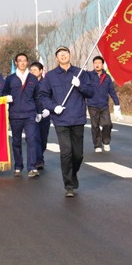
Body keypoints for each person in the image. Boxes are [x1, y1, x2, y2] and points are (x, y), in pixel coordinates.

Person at [39, 46, 94, 198]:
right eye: (60, 54)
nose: (63, 56)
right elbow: (43, 96)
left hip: (77, 117)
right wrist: (53, 107)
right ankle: (68, 185)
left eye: (65, 53)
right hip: (60, 119)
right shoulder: (50, 76)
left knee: (78, 154)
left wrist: (80, 85)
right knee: (66, 152)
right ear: (56, 58)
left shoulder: (80, 73)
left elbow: (91, 92)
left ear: (70, 55)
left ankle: (73, 173)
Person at [2, 53, 42, 178]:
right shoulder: (10, 79)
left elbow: (37, 96)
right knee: (16, 142)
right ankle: (18, 166)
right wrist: (6, 98)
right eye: (20, 61)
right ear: (16, 63)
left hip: (30, 114)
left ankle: (32, 167)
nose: (23, 63)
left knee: (31, 139)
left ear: (27, 62)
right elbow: (4, 93)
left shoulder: (33, 78)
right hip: (15, 115)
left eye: (25, 60)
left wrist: (39, 112)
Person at [87, 56, 121, 152]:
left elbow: (112, 91)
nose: (97, 65)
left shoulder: (107, 77)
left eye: (99, 63)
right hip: (92, 104)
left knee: (107, 124)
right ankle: (97, 145)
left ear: (102, 65)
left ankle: (106, 141)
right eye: (95, 63)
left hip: (104, 105)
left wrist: (117, 104)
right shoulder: (89, 75)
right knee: (95, 126)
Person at [30, 61, 50, 170]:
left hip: (45, 113)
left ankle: (40, 155)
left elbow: (52, 97)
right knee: (34, 138)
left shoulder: (47, 83)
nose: (32, 72)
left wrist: (48, 109)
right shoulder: (28, 83)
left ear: (41, 71)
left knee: (43, 139)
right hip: (32, 113)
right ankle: (38, 160)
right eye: (31, 70)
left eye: (35, 70)